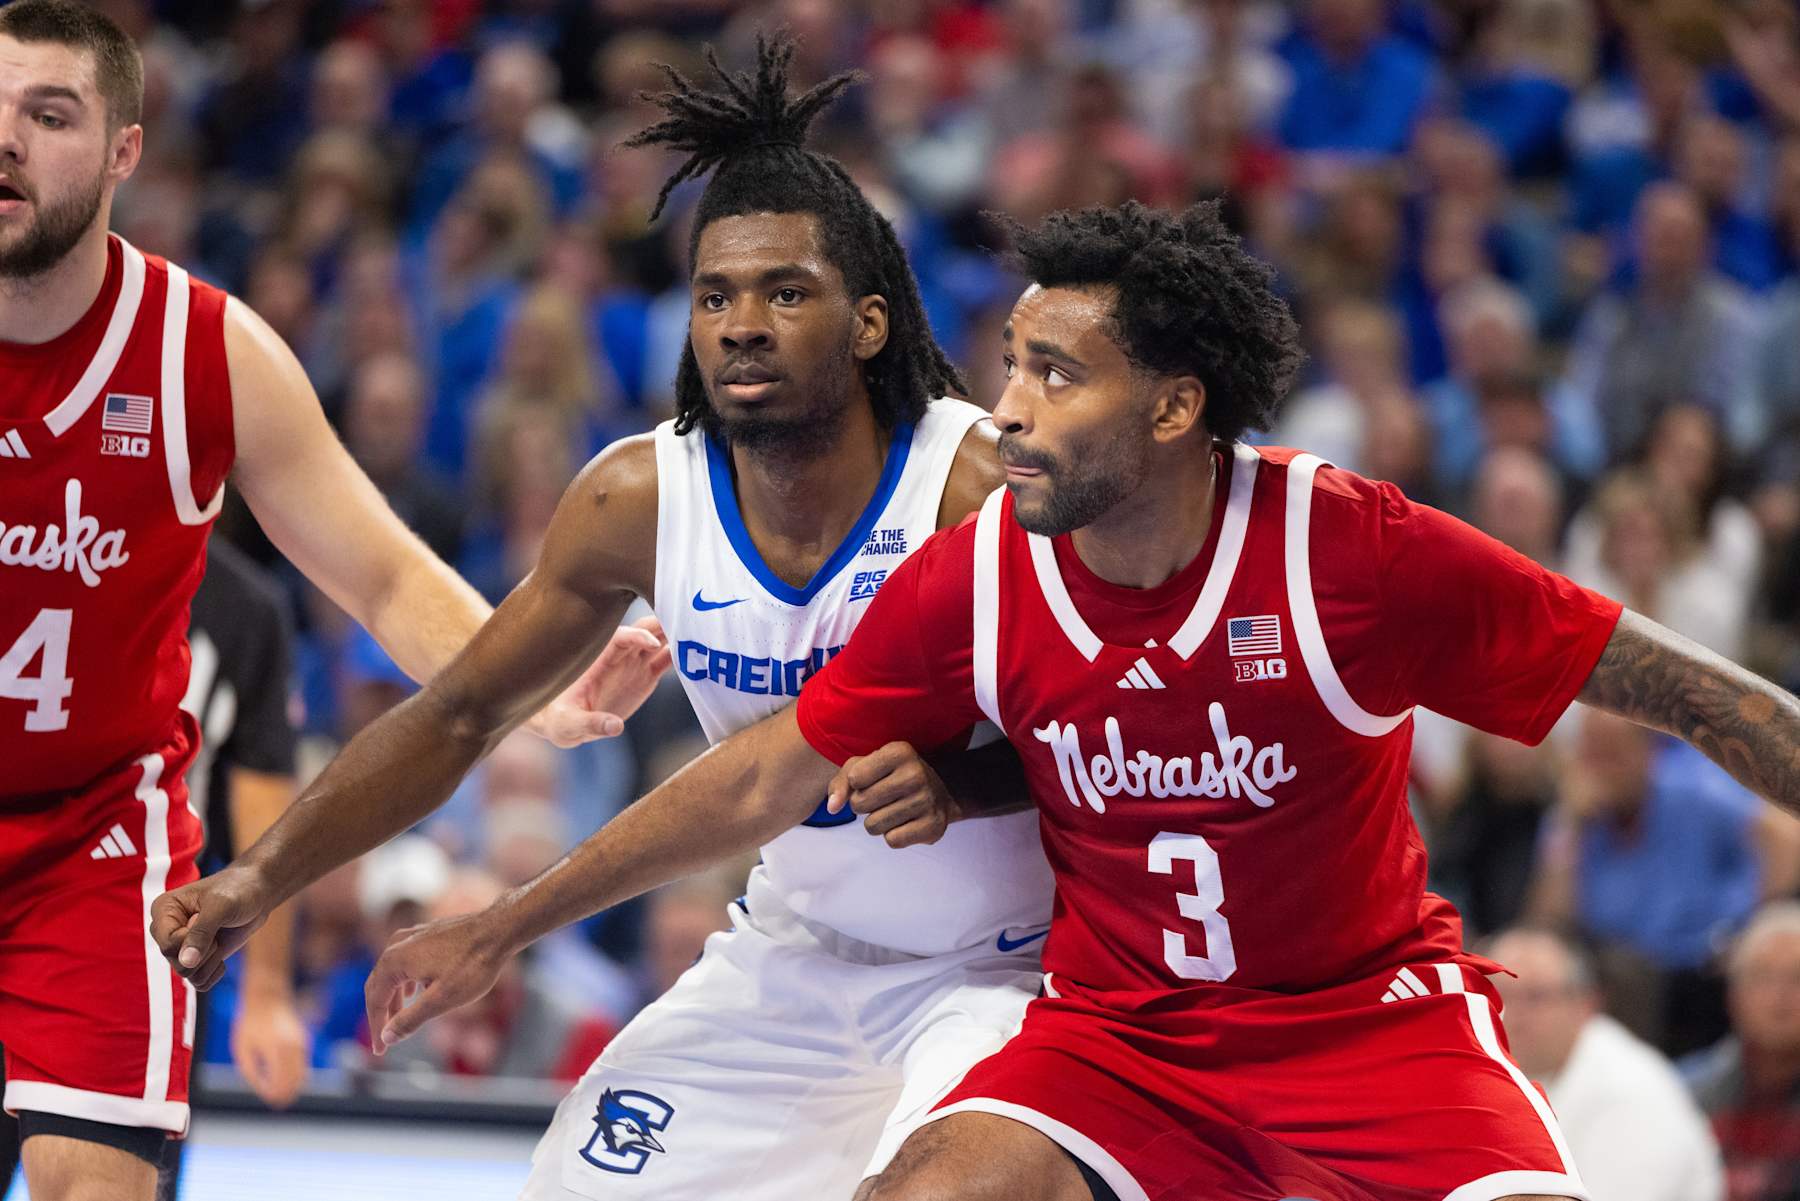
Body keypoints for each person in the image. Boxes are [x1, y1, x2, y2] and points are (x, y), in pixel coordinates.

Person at [250, 197, 1800, 1201]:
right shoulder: (985, 567)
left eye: (1057, 376)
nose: (1009, 408)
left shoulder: (1355, 550)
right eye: (1010, 364)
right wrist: (501, 922)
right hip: (1120, 1037)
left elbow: (1687, 692)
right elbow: (756, 780)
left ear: (1177, 408)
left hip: (1363, 1028)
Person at [155, 36, 1054, 1201]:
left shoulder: (975, 491)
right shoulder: (641, 496)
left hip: (1008, 972)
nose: (742, 324)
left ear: (871, 322)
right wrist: (261, 876)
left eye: (788, 293)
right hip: (798, 947)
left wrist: (966, 784)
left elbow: (1122, 735)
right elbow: (463, 712)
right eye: (716, 295)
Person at [0, 6, 662, 1201]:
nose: (5, 142)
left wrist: (539, 687)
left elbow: (386, 575)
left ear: (123, 154)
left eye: (49, 116)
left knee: (91, 1183)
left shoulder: (207, 351)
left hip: (96, 842)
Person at [1487, 927, 1723, 1201]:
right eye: (1498, 993)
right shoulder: (1505, 1071)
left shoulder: (1630, 1091)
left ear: (1585, 1003)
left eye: (1535, 997)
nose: (1513, 1013)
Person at [1685, 901, 1800, 1200]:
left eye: (1796, 979)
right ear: (1732, 995)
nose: (1780, 996)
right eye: (1762, 977)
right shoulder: (1684, 1093)